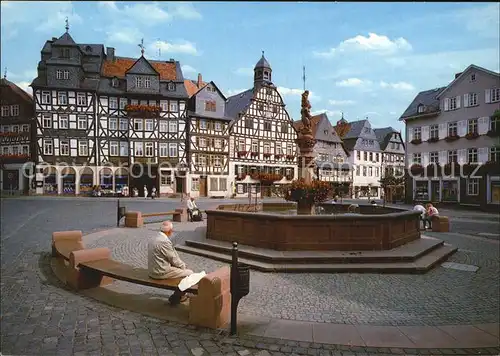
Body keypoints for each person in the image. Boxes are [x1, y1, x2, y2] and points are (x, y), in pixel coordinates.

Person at [148, 221, 194, 305]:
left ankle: (178, 294)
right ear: (169, 231)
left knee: (180, 271)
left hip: (151, 270)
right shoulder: (164, 242)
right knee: (190, 273)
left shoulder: (153, 238)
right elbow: (173, 259)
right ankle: (178, 296)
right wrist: (183, 267)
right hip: (160, 272)